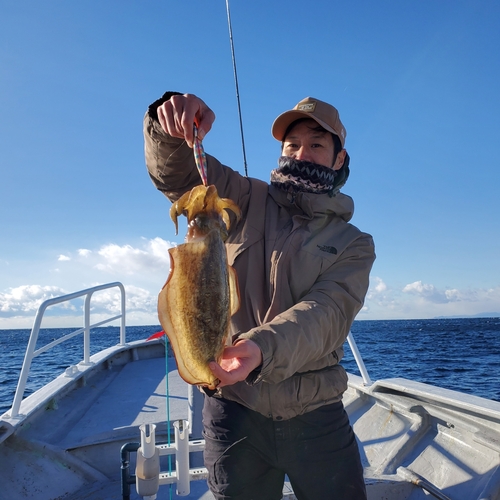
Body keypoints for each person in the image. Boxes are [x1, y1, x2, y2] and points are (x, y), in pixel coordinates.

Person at [143, 91, 375, 500]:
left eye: (317, 144)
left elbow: (327, 312)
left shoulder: (353, 243)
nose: (302, 153)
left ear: (339, 159)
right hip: (233, 408)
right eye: (292, 144)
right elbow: (179, 177)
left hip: (316, 413)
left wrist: (261, 348)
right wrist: (170, 126)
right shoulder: (244, 198)